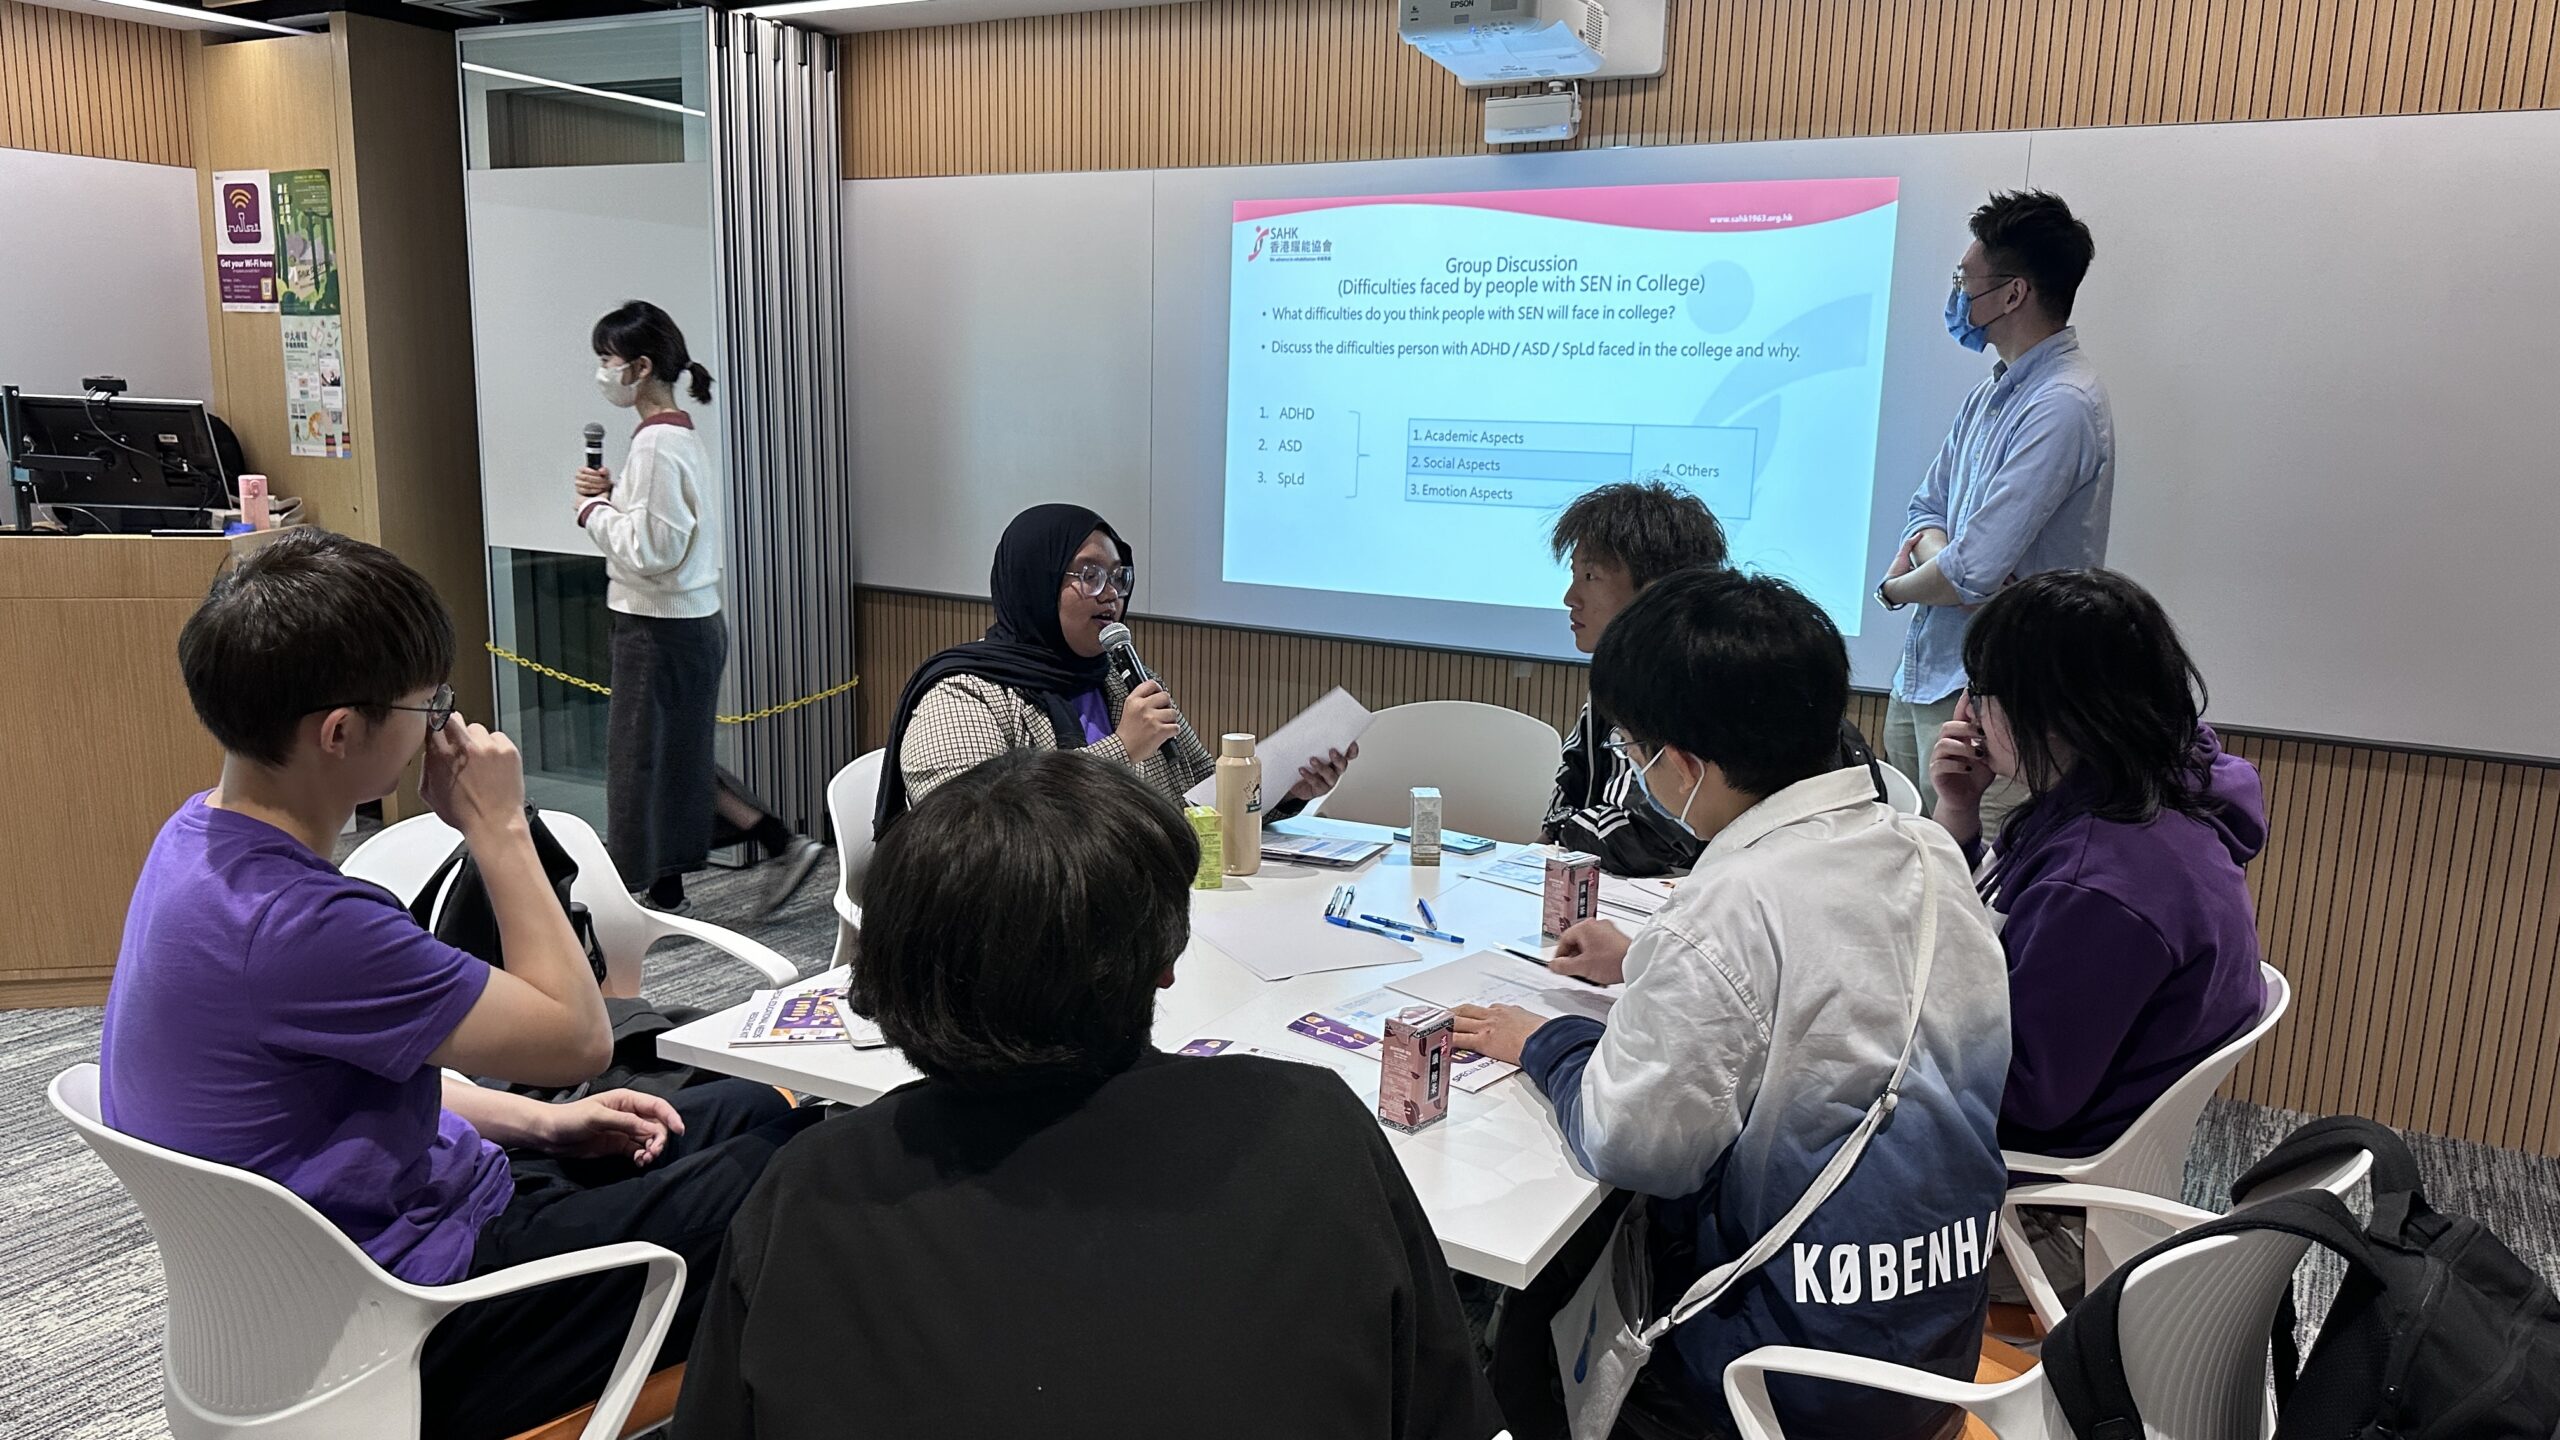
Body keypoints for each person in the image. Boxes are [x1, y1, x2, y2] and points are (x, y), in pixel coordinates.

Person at [98, 530, 825, 1440]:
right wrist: (499, 826)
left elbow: (343, 1083)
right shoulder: (309, 928)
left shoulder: (191, 846)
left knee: (754, 1110)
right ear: (340, 732)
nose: (440, 724)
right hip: (421, 1317)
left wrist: (544, 1120)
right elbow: (579, 1038)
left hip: (378, 1244)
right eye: (425, 704)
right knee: (804, 1173)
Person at [675, 748, 1504, 1438]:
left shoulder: (808, 1189)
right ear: (1167, 959)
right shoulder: (1310, 1129)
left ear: (894, 970)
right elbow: (1442, 1411)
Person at [1455, 569, 2011, 1440]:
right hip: (1935, 1343)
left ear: (1686, 764)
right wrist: (1649, 963)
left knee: (1519, 1321)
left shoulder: (1730, 903)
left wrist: (1548, 1042)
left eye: (1638, 753)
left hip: (1779, 1377)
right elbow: (1833, 989)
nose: (1637, 772)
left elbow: (1634, 1142)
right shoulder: (1927, 851)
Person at [1926, 568, 2268, 1158]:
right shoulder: (2158, 789)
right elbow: (1998, 915)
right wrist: (1958, 812)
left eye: (1981, 690)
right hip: (2097, 1122)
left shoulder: (2100, 887)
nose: (1967, 711)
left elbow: (2024, 1098)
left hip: (2039, 1168)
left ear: (2053, 710)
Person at [872, 502, 1350, 833]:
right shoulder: (964, 695)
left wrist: (1287, 790)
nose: (1111, 593)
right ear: (1034, 583)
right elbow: (975, 834)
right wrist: (1123, 748)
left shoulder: (1124, 681)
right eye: (1089, 575)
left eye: (1118, 577)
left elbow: (1201, 800)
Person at [1877, 190, 2115, 836]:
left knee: (1975, 905)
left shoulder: (2063, 405)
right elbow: (1924, 513)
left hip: (2004, 709)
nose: (1956, 296)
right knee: (1902, 884)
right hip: (1924, 677)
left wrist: (1900, 587)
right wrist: (1941, 561)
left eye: (1965, 281)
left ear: (2013, 295)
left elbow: (1971, 573)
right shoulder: (1991, 395)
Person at [575, 299, 821, 919]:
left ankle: (662, 895)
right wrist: (614, 500)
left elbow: (653, 548)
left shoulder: (657, 444)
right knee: (672, 758)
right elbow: (664, 532)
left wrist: (592, 513)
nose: (602, 372)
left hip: (658, 626)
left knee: (645, 762)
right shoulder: (673, 436)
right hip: (684, 623)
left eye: (607, 360)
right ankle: (754, 849)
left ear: (640, 366)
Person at [1545, 480, 1884, 876]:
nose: (1571, 597)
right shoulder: (1617, 681)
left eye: (1590, 576)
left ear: (1658, 589)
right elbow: (1565, 800)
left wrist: (1567, 832)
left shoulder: (1720, 683)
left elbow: (1660, 836)